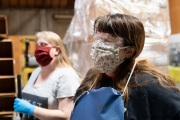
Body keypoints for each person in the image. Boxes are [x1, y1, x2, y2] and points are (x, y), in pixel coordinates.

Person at [74, 13, 180, 120]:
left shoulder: (149, 84)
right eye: (97, 38)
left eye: (106, 41)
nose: (98, 45)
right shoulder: (92, 77)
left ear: (129, 51)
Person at [14, 31, 80, 120]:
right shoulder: (37, 71)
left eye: (43, 44)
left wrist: (32, 109)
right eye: (37, 45)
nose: (39, 48)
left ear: (56, 50)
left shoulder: (66, 76)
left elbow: (66, 115)